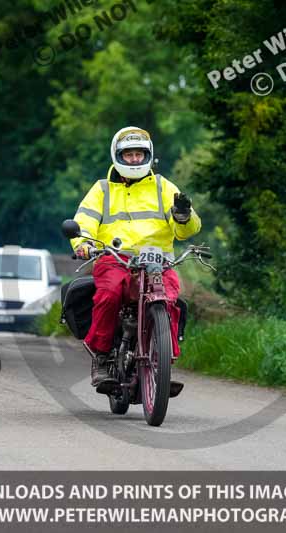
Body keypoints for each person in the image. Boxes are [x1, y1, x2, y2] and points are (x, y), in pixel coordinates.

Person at [69, 127, 201, 386]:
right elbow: (83, 221)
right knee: (109, 293)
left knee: (170, 298)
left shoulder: (164, 186)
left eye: (139, 154)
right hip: (114, 259)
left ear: (148, 156)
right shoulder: (102, 190)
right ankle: (102, 356)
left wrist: (183, 216)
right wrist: (82, 243)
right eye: (128, 155)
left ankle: (163, 365)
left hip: (158, 263)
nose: (134, 160)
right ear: (117, 156)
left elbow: (186, 230)